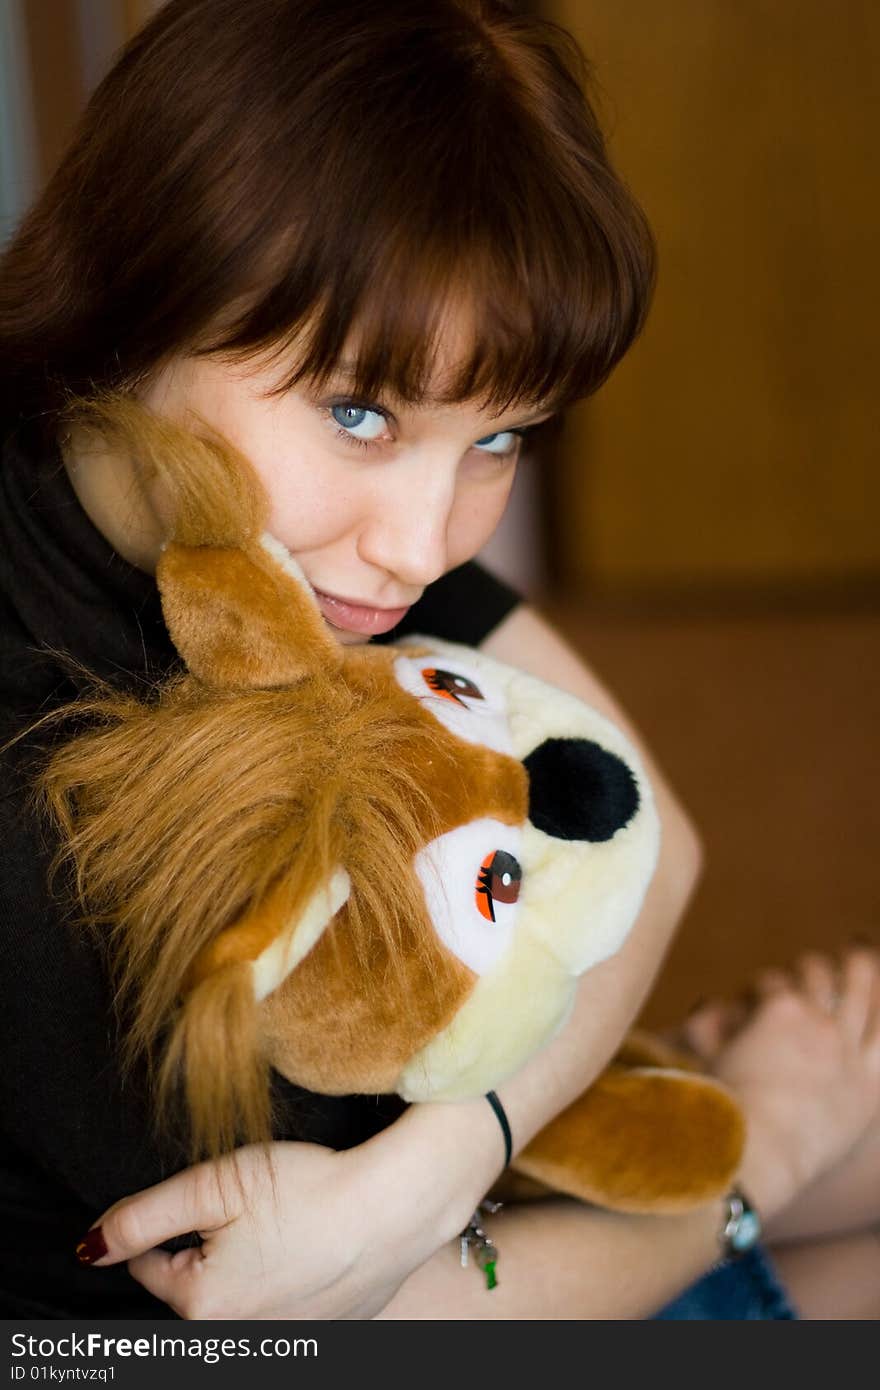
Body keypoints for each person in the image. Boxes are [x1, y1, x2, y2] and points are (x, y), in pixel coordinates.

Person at [0, 0, 877, 1320]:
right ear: (147, 284)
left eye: (501, 436)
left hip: (462, 1188)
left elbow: (658, 831)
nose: (420, 548)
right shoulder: (35, 809)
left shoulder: (248, 509)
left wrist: (461, 1145)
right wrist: (760, 1143)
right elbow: (349, 1318)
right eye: (361, 412)